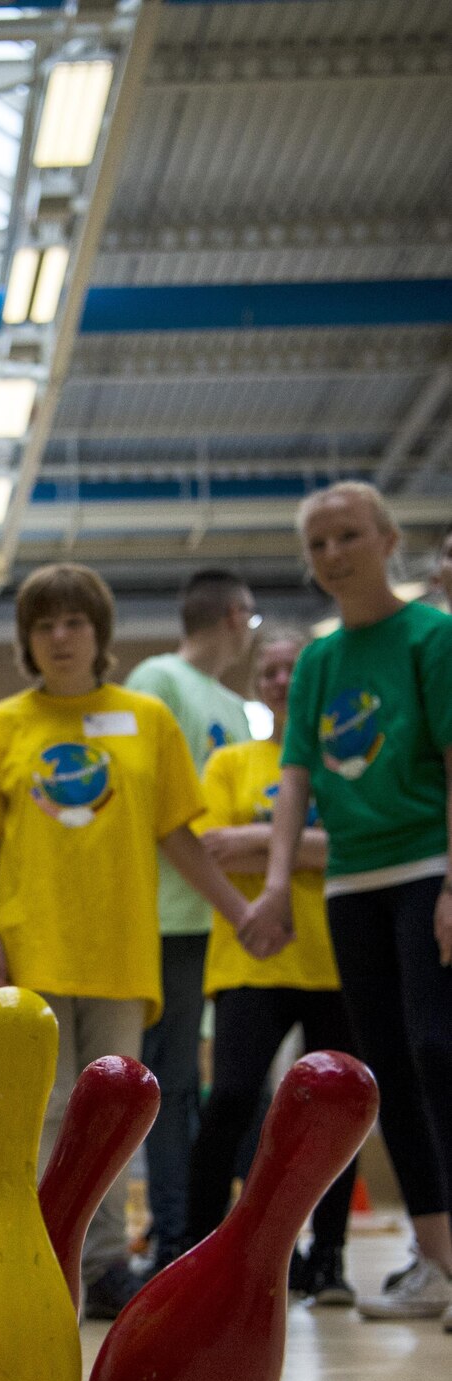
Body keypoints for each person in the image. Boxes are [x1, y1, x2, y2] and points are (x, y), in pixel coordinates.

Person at [0, 563, 261, 1319]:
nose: (59, 637)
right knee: (49, 1106)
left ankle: (105, 1262)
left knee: (116, 1107)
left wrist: (235, 911)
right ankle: (42, 1258)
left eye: (73, 623)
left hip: (120, 948)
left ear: (99, 634)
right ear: (25, 639)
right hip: (33, 940)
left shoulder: (145, 721)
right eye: (44, 625)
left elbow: (177, 835)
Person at [243, 481, 452, 1325]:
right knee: (391, 1069)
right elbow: (294, 779)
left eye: (347, 536)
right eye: (317, 544)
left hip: (425, 867)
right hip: (349, 884)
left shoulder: (430, 637)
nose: (332, 555)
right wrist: (272, 885)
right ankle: (433, 1263)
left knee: (439, 1049)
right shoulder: (321, 659)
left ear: (387, 537)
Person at [186, 629, 359, 1304]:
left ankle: (329, 1257)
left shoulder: (340, 759)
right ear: (254, 682)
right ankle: (196, 1246)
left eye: (293, 669)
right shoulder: (230, 762)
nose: (281, 680)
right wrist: (304, 845)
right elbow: (211, 848)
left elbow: (352, 845)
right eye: (269, 671)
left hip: (335, 958)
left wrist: (260, 839)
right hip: (250, 955)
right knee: (228, 1100)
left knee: (339, 1117)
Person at [127, 569, 258, 1271]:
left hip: (217, 919)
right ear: (237, 616)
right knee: (169, 1080)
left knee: (213, 1083)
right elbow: (145, 796)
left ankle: (203, 1227)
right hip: (163, 913)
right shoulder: (158, 679)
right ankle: (177, 1231)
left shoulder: (233, 707)